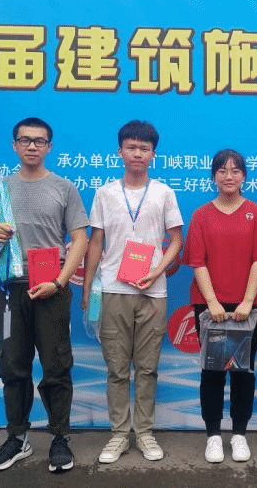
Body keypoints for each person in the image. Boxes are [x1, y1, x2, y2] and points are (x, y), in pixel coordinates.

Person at [0, 117, 88, 473]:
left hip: (51, 288)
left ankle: (60, 438)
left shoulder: (64, 188)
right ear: (15, 145)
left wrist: (61, 282)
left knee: (56, 365)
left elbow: (79, 239)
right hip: (9, 288)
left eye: (39, 141)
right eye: (25, 140)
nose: (32, 146)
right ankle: (17, 437)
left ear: (49, 147)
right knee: (12, 365)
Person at [82, 120, 184, 464]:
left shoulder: (164, 193)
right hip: (114, 288)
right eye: (131, 147)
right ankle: (118, 434)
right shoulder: (105, 193)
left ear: (154, 154)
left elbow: (177, 240)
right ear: (120, 151)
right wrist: (88, 287)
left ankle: (144, 431)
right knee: (116, 368)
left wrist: (157, 270)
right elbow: (95, 242)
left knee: (147, 367)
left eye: (144, 148)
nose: (138, 153)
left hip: (153, 291)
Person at [183, 149, 257, 464]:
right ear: (213, 176)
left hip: (247, 306)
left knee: (243, 373)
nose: (229, 176)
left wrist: (248, 302)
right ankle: (212, 435)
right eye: (222, 170)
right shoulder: (201, 215)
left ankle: (238, 435)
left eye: (236, 170)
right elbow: (197, 262)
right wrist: (212, 303)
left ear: (244, 176)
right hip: (209, 305)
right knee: (211, 372)